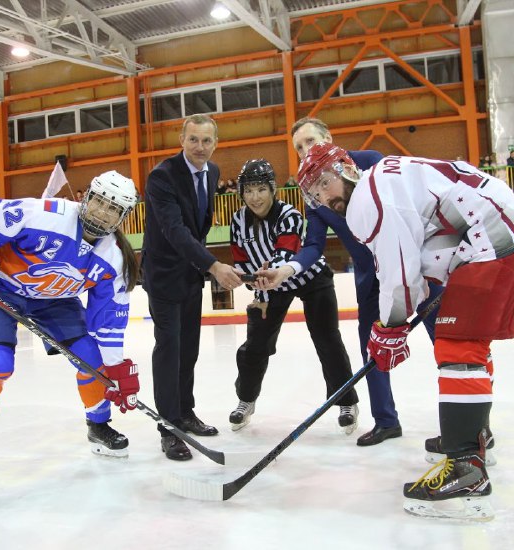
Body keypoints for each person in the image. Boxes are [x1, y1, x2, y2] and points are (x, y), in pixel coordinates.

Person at [297, 143, 514, 521]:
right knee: (466, 342)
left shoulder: (367, 198)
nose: (325, 197)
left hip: (491, 236)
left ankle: (467, 469)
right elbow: (420, 255)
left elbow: (399, 273)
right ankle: (475, 436)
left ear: (346, 168)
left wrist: (388, 328)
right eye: (315, 194)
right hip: (497, 230)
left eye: (325, 182)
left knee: (458, 346)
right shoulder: (384, 181)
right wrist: (392, 322)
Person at [0, 170, 142, 512]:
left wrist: (116, 370)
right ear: (87, 197)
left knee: (93, 362)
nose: (102, 213)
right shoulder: (46, 214)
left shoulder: (113, 259)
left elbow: (107, 323)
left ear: (123, 217)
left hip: (55, 301)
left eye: (114, 209)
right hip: (0, 290)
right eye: (99, 202)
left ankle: (99, 425)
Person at [254, 117, 440, 446]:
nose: (305, 150)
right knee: (372, 347)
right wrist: (286, 271)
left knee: (447, 339)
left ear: (329, 137)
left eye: (310, 141)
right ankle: (386, 420)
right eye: (299, 147)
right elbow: (313, 246)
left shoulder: (369, 161)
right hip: (372, 280)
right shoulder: (314, 196)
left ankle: (471, 420)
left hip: (417, 266)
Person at [228, 159, 359, 432]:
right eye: (248, 190)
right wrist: (257, 292)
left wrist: (266, 278)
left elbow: (285, 253)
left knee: (327, 340)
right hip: (268, 287)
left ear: (272, 189)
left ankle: (346, 402)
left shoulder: (290, 214)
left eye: (261, 189)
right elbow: (241, 261)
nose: (255, 197)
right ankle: (245, 400)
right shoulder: (238, 221)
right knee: (255, 345)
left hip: (309, 277)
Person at [141, 114, 244, 461]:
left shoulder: (212, 173)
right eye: (193, 140)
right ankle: (169, 427)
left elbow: (198, 228)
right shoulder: (162, 176)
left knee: (189, 349)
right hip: (164, 274)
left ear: (216, 143)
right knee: (169, 348)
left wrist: (205, 266)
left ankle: (185, 412)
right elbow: (175, 230)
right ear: (181, 140)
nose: (200, 147)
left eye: (207, 141)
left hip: (190, 275)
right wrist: (212, 265)